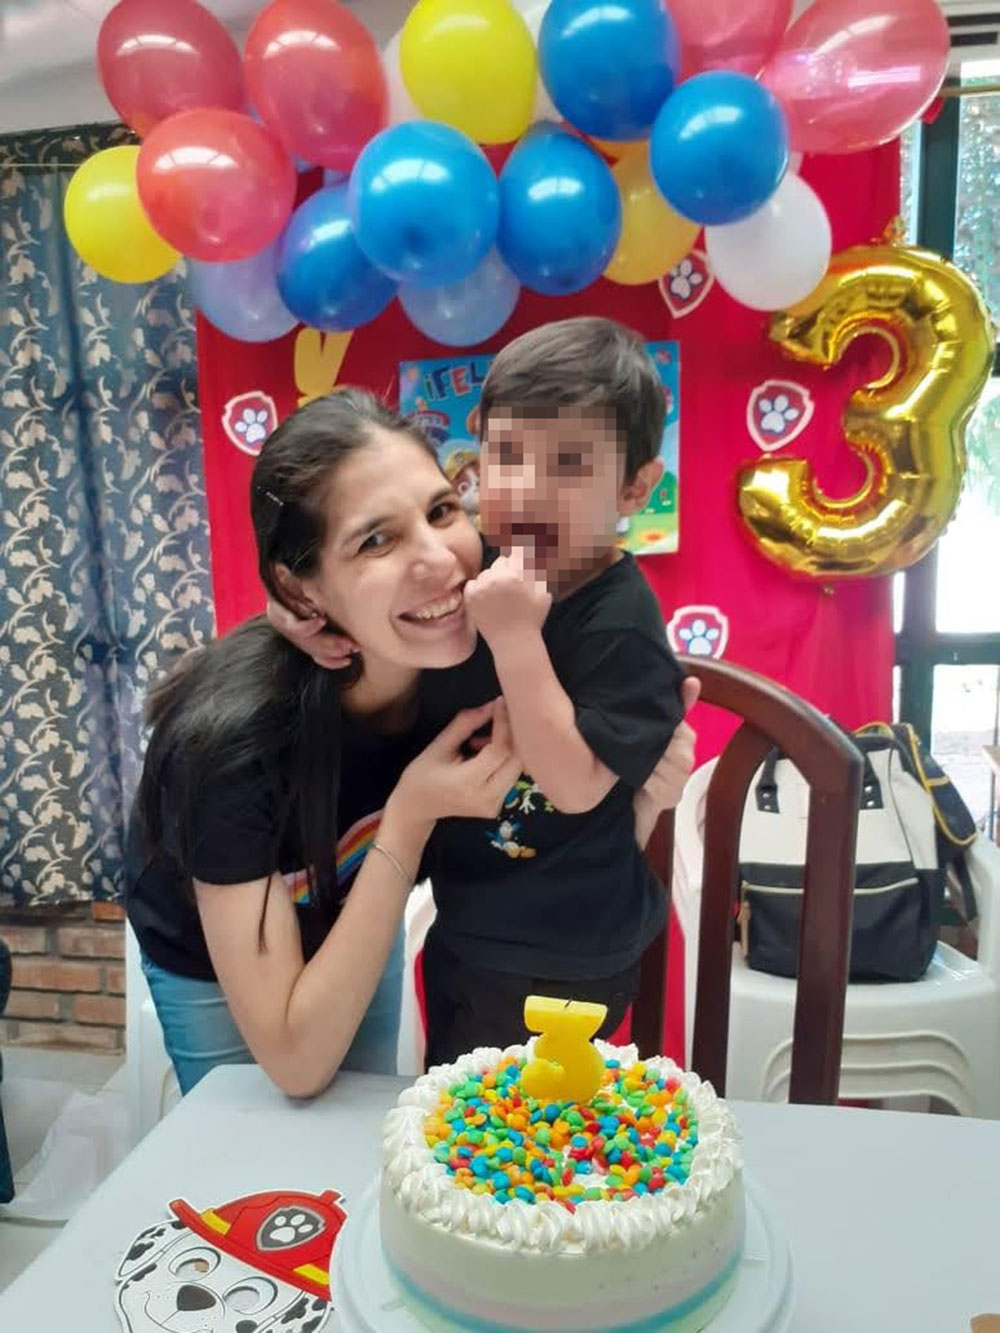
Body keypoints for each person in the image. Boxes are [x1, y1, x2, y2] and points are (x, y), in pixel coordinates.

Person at [128, 388, 697, 1099]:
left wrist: (637, 788)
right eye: (376, 540)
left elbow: (605, 611)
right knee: (250, 1134)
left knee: (358, 1115)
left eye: (442, 510)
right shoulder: (232, 745)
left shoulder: (491, 632)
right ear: (299, 590)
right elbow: (295, 1062)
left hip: (361, 896)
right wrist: (410, 814)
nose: (441, 559)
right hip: (215, 951)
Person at [275, 319, 692, 1069]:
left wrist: (517, 639)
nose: (529, 487)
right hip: (466, 919)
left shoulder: (622, 621)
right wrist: (296, 613)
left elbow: (572, 785)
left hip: (570, 944)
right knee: (459, 1092)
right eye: (506, 455)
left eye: (569, 464)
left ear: (636, 486)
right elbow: (369, 590)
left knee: (531, 1118)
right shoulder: (477, 562)